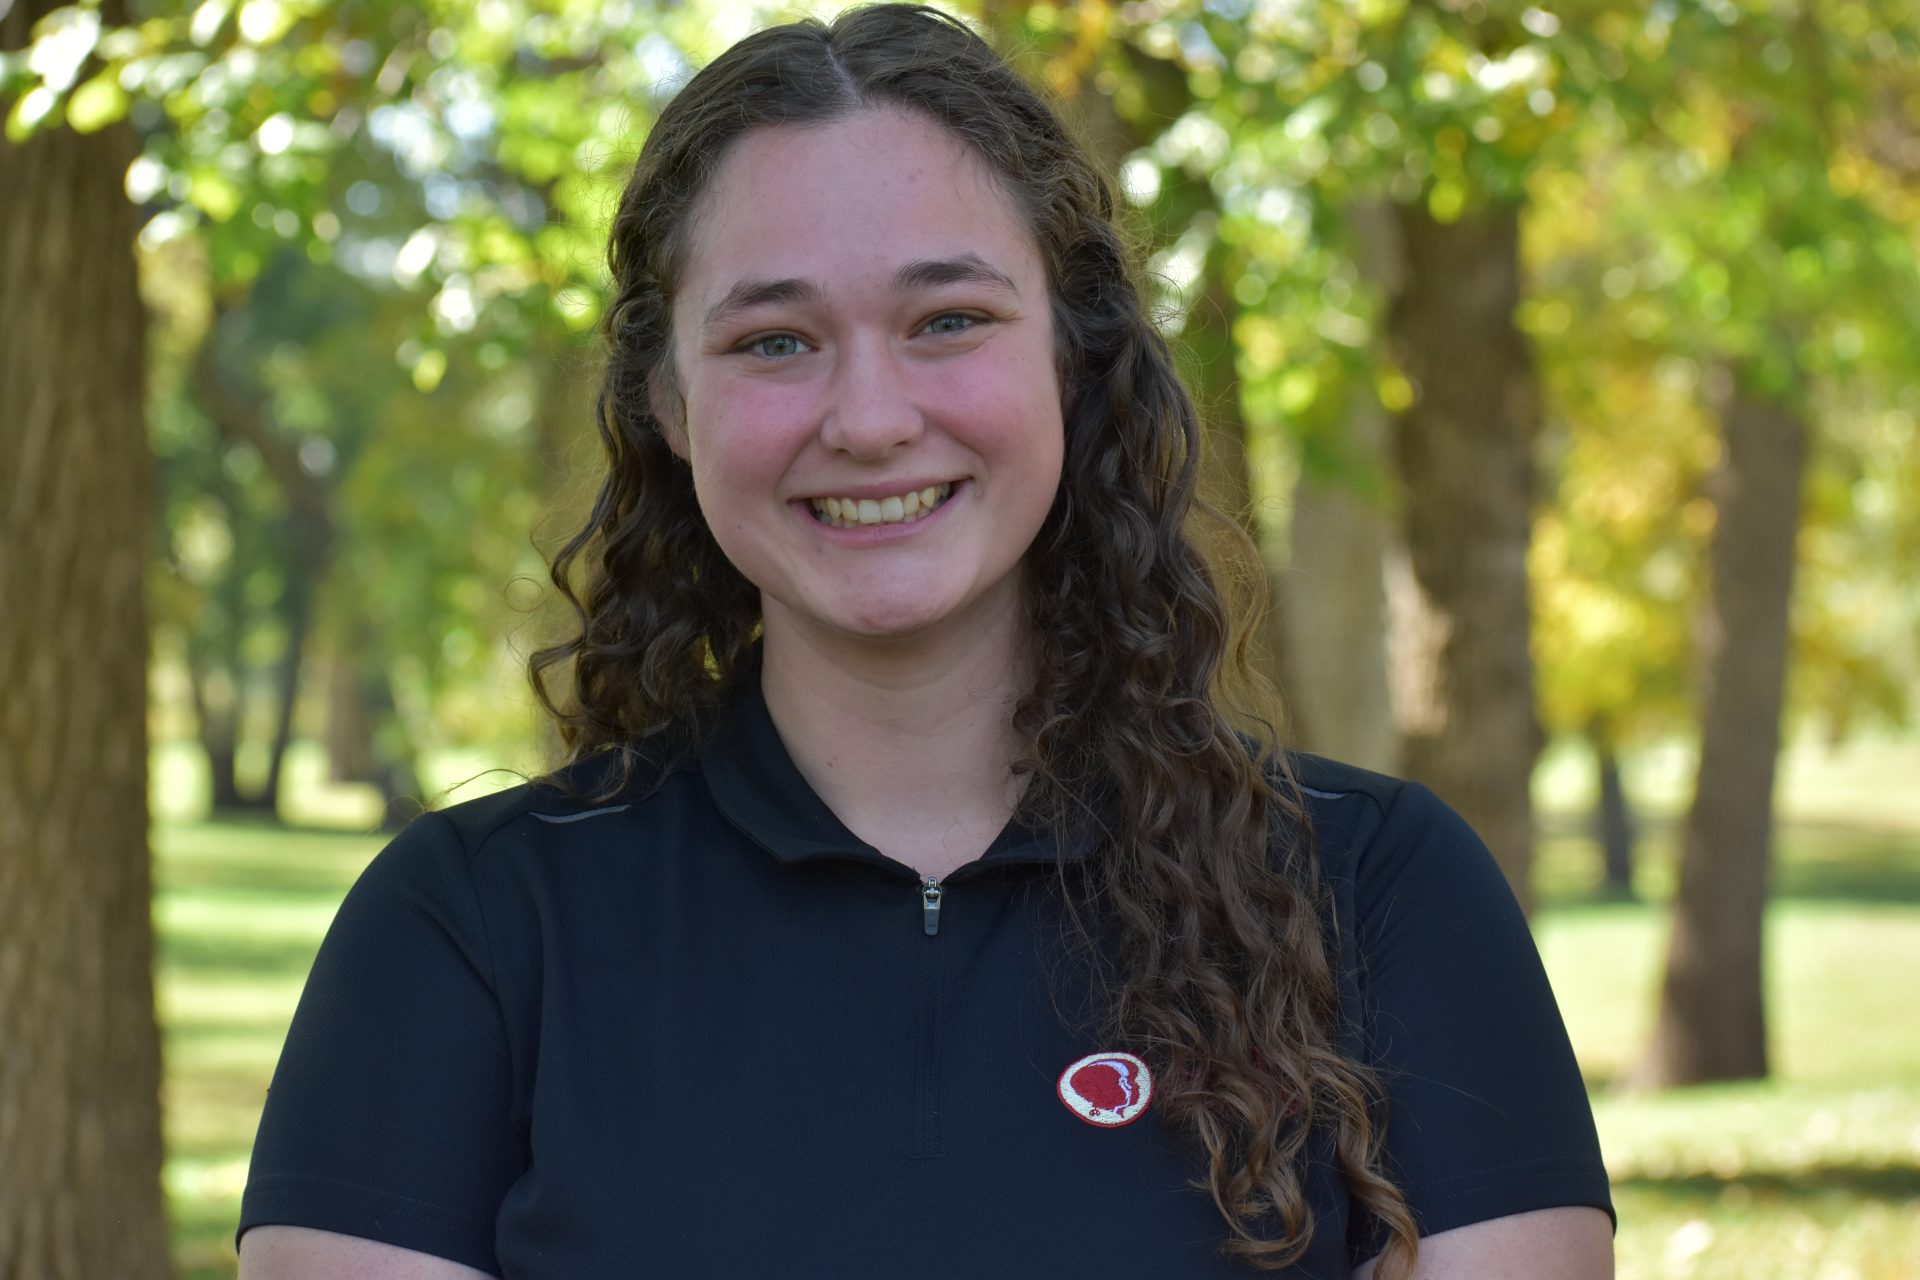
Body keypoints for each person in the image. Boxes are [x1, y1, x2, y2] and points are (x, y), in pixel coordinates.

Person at [236, 6, 1614, 1277]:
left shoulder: (1378, 895)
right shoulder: (469, 933)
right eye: (775, 342)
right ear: (668, 399)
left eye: (948, 321)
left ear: (1072, 355)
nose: (872, 419)